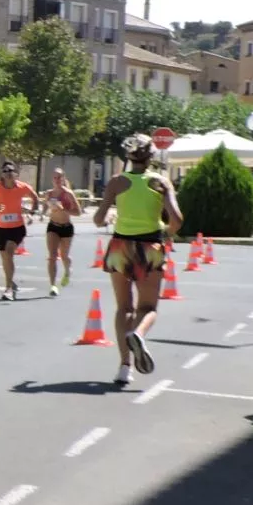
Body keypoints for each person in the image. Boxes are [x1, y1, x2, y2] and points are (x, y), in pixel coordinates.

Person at [93, 135, 182, 386]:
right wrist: (167, 232)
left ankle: (124, 367)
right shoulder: (160, 182)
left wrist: (111, 215)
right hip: (150, 246)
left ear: (128, 157)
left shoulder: (116, 182)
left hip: (120, 246)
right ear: (151, 156)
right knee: (149, 308)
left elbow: (98, 220)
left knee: (124, 308)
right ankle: (139, 334)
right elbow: (177, 220)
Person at [0, 162, 38, 301]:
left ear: (15, 174)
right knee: (5, 259)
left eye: (11, 171)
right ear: (2, 174)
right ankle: (10, 281)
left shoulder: (22, 187)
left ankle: (8, 289)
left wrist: (32, 212)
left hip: (17, 228)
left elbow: (35, 197)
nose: (8, 173)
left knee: (9, 254)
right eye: (5, 171)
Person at [43, 169, 82, 297]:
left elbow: (78, 212)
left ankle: (67, 270)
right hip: (53, 226)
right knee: (52, 256)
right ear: (52, 179)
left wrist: (63, 209)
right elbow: (45, 208)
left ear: (64, 178)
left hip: (66, 228)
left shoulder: (68, 194)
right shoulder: (49, 193)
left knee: (64, 256)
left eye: (59, 177)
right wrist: (42, 213)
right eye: (55, 177)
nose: (57, 180)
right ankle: (53, 285)